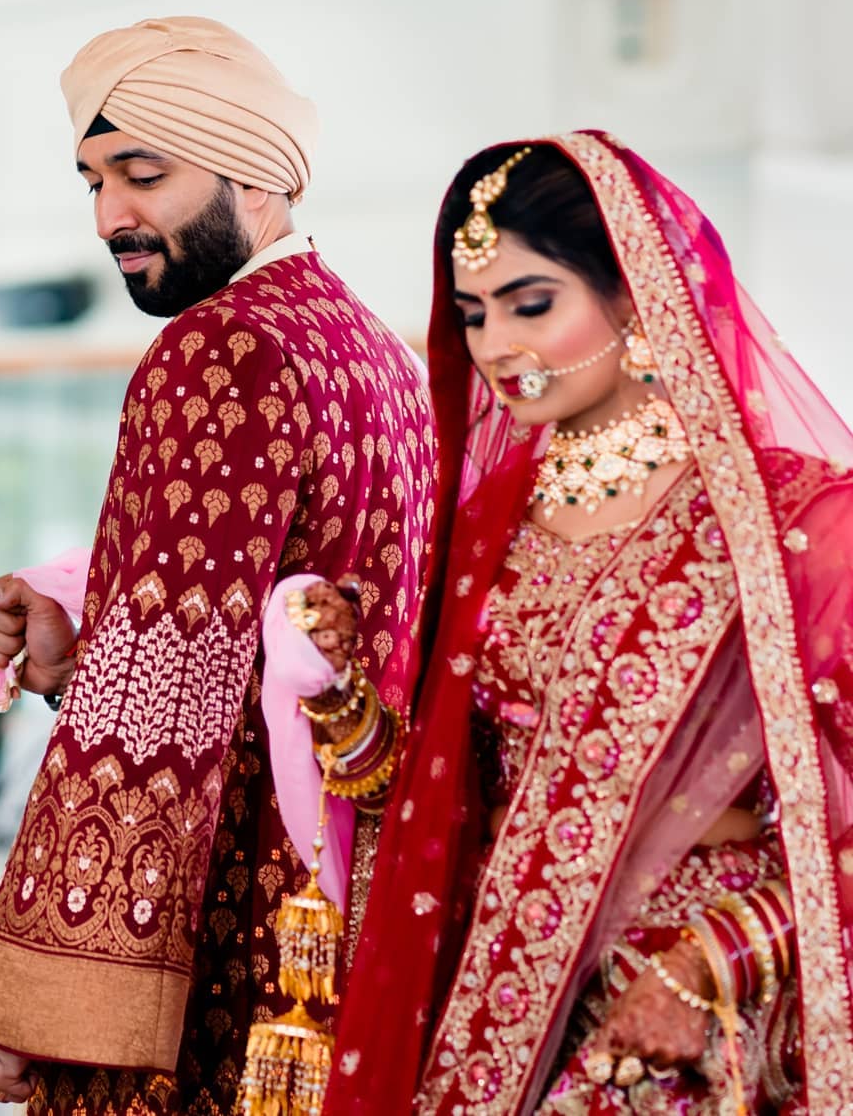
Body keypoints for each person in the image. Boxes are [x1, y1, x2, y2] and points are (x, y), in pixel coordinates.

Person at [277, 132, 853, 1113]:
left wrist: (715, 961)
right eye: (472, 315)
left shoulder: (792, 524)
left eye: (532, 304)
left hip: (693, 1014)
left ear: (633, 296)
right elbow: (415, 803)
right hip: (494, 998)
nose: (498, 346)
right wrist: (339, 695)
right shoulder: (472, 540)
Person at [0, 16, 436, 1113]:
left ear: (255, 172)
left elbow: (157, 706)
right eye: (93, 180)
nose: (111, 215)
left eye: (144, 173)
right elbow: (261, 648)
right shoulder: (378, 355)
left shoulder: (223, 345)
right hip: (342, 945)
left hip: (213, 966)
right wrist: (76, 654)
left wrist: (23, 1002)